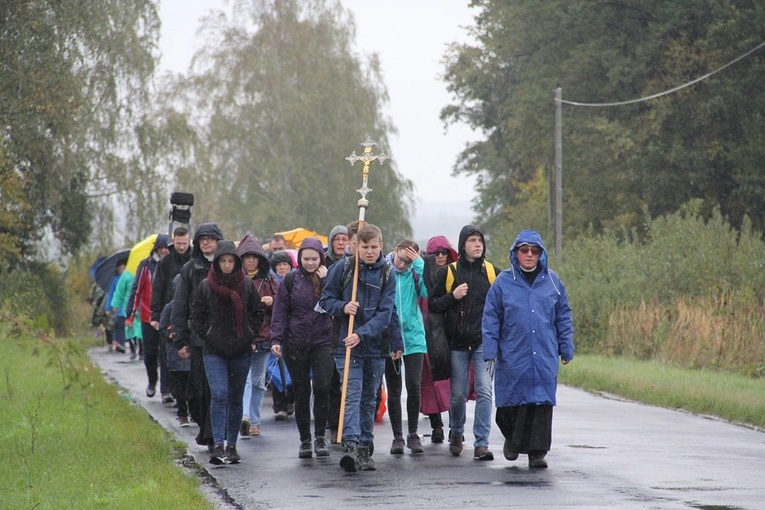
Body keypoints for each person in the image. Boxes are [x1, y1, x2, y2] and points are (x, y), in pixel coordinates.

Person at [482, 230, 574, 469]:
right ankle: (512, 441)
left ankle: (537, 452)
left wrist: (566, 347)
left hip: (544, 353)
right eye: (524, 250)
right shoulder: (503, 282)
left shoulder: (552, 281)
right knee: (511, 404)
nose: (529, 255)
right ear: (516, 254)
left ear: (541, 254)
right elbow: (491, 317)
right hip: (513, 354)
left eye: (534, 251)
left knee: (541, 403)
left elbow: (563, 316)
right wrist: (490, 349)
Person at [319, 223, 402, 473]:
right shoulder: (343, 269)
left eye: (374, 247)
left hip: (375, 346)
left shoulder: (388, 274)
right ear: (356, 246)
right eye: (364, 247)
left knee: (369, 400)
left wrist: (363, 334)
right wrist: (343, 307)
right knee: (352, 395)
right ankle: (351, 446)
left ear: (381, 246)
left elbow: (386, 313)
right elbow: (325, 300)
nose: (369, 251)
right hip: (346, 346)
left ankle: (366, 447)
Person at [428, 224, 500, 461]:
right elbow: (433, 305)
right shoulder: (449, 273)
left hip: (483, 342)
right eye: (472, 240)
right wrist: (453, 296)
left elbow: (504, 305)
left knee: (484, 390)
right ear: (462, 245)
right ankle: (456, 433)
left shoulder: (492, 272)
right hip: (457, 343)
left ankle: (482, 443)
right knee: (457, 394)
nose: (477, 244)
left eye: (480, 240)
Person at [191, 240, 264, 465]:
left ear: (237, 262)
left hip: (241, 350)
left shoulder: (247, 285)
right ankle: (218, 444)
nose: (227, 265)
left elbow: (257, 312)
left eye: (231, 261)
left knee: (234, 396)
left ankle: (232, 445)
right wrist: (210, 335)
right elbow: (196, 317)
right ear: (216, 262)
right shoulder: (206, 286)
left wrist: (248, 335)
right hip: (214, 350)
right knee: (220, 394)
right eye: (222, 261)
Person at [270, 237, 334, 459]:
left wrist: (327, 281)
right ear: (300, 259)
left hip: (323, 341)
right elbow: (280, 312)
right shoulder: (289, 280)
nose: (310, 263)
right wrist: (276, 339)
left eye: (314, 259)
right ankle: (305, 440)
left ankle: (320, 437)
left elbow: (334, 303)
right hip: (295, 342)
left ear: (321, 259)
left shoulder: (328, 278)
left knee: (323, 388)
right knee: (301, 391)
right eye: (306, 259)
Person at [171, 222, 224, 451]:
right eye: (202, 238)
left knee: (219, 390)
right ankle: (206, 430)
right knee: (197, 391)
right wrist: (180, 339)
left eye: (210, 238)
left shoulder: (228, 266)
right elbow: (180, 306)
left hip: (225, 339)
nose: (206, 242)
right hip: (199, 339)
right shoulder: (191, 269)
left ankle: (216, 436)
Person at [384, 240, 428, 455]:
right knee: (394, 389)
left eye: (407, 260)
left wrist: (419, 263)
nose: (402, 264)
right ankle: (397, 437)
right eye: (400, 258)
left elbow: (429, 292)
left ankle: (413, 434)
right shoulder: (384, 272)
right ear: (394, 252)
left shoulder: (415, 273)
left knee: (414, 385)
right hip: (390, 337)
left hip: (413, 336)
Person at [237, 234, 278, 438]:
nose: (251, 260)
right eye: (247, 256)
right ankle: (244, 417)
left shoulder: (270, 280)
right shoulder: (236, 280)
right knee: (244, 379)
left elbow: (283, 303)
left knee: (259, 381)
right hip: (243, 338)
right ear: (242, 258)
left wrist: (273, 300)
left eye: (255, 256)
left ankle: (255, 420)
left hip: (263, 339)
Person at [420, 235, 459, 443]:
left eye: (444, 252)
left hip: (451, 334)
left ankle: (455, 428)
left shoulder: (456, 275)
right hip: (427, 334)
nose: (441, 256)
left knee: (452, 382)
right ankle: (436, 425)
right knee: (429, 382)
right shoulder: (422, 275)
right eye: (436, 253)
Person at [150, 227, 192, 401]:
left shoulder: (195, 259)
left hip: (189, 310)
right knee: (167, 353)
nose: (181, 247)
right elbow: (157, 289)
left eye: (184, 243)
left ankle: (186, 392)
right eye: (178, 243)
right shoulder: (164, 263)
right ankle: (166, 390)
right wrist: (155, 315)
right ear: (173, 242)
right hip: (169, 310)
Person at [126, 234, 170, 396]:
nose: (165, 250)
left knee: (166, 355)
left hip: (167, 318)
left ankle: (166, 390)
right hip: (148, 317)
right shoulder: (145, 266)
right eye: (162, 247)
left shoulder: (171, 265)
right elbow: (137, 291)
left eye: (167, 247)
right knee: (150, 354)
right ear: (156, 249)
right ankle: (152, 380)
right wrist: (130, 315)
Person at [160, 275, 191, 427]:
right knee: (179, 387)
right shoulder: (169, 307)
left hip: (191, 354)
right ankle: (182, 413)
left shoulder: (193, 306)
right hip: (175, 353)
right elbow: (163, 327)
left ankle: (191, 410)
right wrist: (174, 335)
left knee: (192, 386)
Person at [268, 249, 296, 420]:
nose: (282, 268)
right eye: (279, 265)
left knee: (291, 369)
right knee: (275, 370)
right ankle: (279, 405)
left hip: (293, 331)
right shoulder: (269, 282)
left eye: (285, 264)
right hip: (274, 329)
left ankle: (291, 400)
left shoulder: (295, 281)